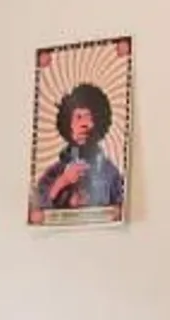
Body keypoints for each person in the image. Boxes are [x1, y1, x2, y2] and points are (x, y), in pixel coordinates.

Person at [31, 78, 127, 217]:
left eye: (89, 117)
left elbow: (119, 211)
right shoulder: (54, 172)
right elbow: (37, 209)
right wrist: (62, 182)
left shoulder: (110, 173)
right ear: (67, 123)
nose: (84, 124)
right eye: (78, 117)